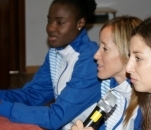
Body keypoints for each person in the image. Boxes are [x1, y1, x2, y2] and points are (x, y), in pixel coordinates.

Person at [0, 0, 102, 129]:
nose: (50, 28)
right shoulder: (56, 53)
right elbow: (32, 95)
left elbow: (55, 117)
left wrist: (2, 106)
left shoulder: (90, 59)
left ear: (80, 23)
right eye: (49, 21)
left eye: (60, 22)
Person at [71, 16, 143, 130]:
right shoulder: (110, 93)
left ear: (127, 51)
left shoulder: (145, 104)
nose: (96, 55)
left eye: (105, 48)